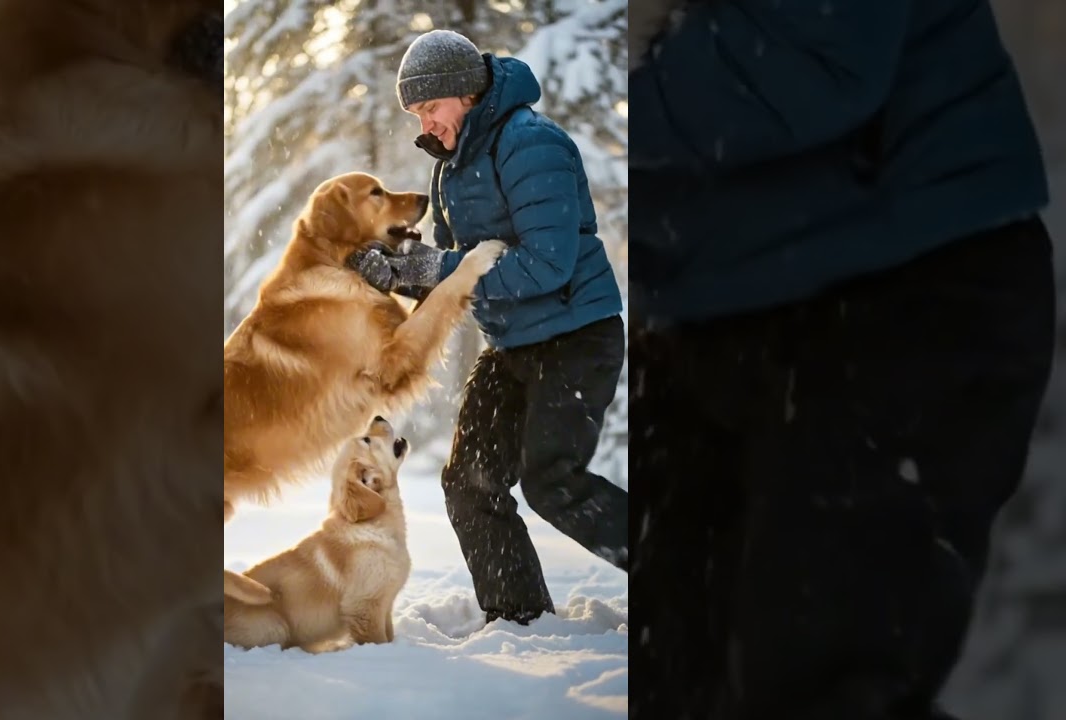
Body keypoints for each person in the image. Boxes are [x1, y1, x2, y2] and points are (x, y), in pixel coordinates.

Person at [627, 2, 1056, 719]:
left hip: (900, 292)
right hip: (712, 315)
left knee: (816, 687)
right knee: (661, 679)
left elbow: (817, 57)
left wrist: (605, 108)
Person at [350, 29, 629, 626]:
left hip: (579, 336)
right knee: (470, 484)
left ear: (465, 94)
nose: (424, 124)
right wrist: (400, 270)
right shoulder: (451, 167)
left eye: (430, 107)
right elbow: (451, 269)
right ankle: (521, 619)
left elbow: (547, 263)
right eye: (416, 113)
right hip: (514, 345)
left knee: (552, 481)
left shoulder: (531, 144)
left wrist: (439, 267)